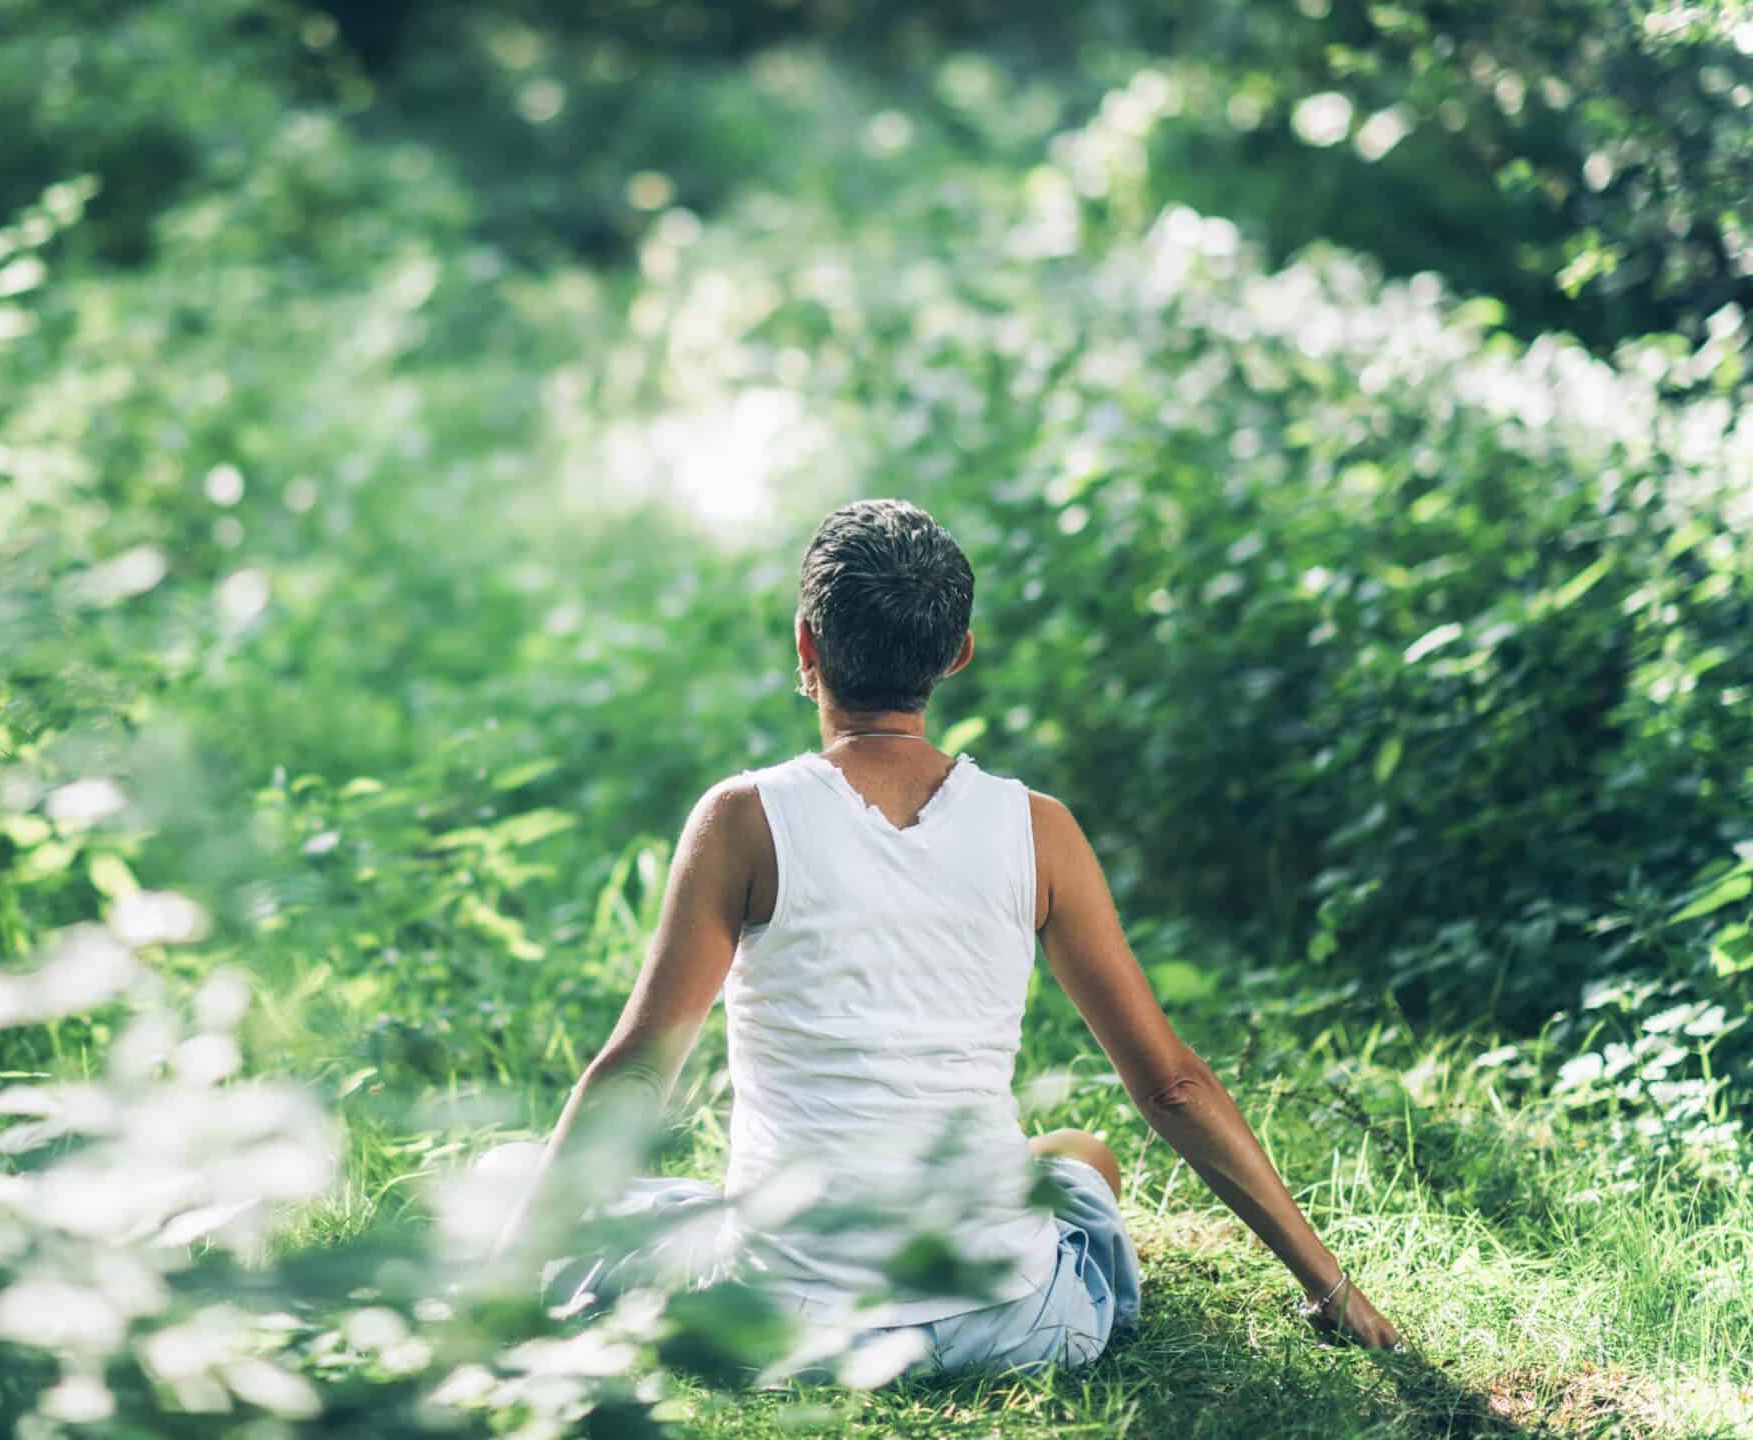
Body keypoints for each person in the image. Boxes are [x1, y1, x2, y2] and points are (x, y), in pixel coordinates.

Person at [486, 499, 1403, 1378]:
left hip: (782, 1314)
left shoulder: (742, 818)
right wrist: (1331, 1288)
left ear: (806, 644)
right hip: (1004, 1321)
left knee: (518, 1177)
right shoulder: (1039, 830)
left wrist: (504, 1288)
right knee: (1082, 1159)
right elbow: (1171, 1083)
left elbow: (640, 1072)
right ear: (958, 653)